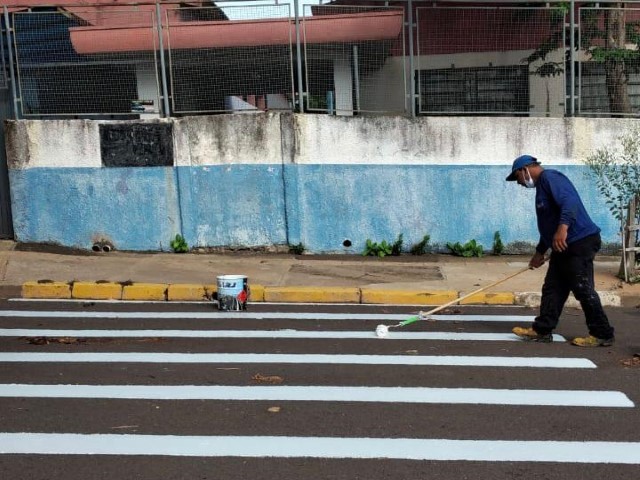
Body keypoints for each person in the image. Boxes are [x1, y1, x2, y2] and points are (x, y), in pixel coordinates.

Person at [505, 154, 615, 347]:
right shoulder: (542, 188)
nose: (519, 183)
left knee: (582, 289)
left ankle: (602, 333)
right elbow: (549, 226)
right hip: (563, 245)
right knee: (553, 288)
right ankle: (542, 330)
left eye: (517, 178)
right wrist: (540, 252)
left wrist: (563, 228)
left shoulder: (550, 178)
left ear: (525, 170)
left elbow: (569, 202)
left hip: (579, 241)